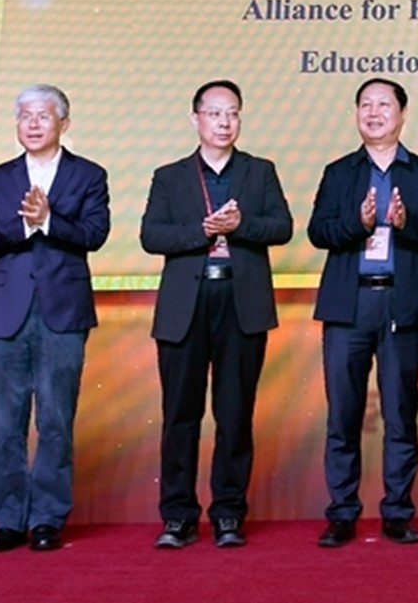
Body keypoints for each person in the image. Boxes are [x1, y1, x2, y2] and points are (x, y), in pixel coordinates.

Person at [140, 79, 294, 550]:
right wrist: (202, 231)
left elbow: (283, 227)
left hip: (240, 303)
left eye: (232, 113)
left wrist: (241, 226)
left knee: (235, 413)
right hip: (185, 305)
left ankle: (228, 513)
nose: (224, 122)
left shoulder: (259, 171)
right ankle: (178, 516)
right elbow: (151, 236)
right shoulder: (170, 176)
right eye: (214, 113)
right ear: (196, 119)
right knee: (179, 416)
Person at [309, 78, 418, 547]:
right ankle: (342, 512)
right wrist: (357, 223)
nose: (374, 113)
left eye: (384, 104)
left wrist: (405, 222)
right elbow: (318, 231)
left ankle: (397, 511)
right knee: (343, 415)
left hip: (402, 303)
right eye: (366, 105)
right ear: (357, 113)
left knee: (400, 412)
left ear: (403, 113)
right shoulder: (339, 172)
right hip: (348, 305)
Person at [0, 84, 110, 553]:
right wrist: (25, 224)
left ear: (64, 123)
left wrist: (49, 220)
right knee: (4, 424)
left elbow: (94, 233)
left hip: (62, 311)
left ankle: (47, 517)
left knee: (55, 419)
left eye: (43, 115)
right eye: (25, 115)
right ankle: (8, 519)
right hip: (4, 314)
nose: (32, 123)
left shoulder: (89, 175)